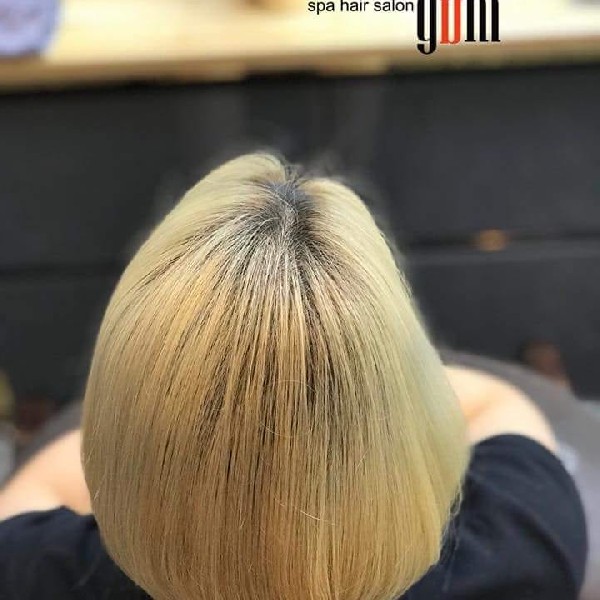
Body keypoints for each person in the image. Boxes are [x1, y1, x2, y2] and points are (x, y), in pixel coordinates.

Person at [0, 154, 587, 599]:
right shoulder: (524, 545)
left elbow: (33, 494)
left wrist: (162, 422)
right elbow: (497, 404)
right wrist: (357, 371)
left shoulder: (38, 574)